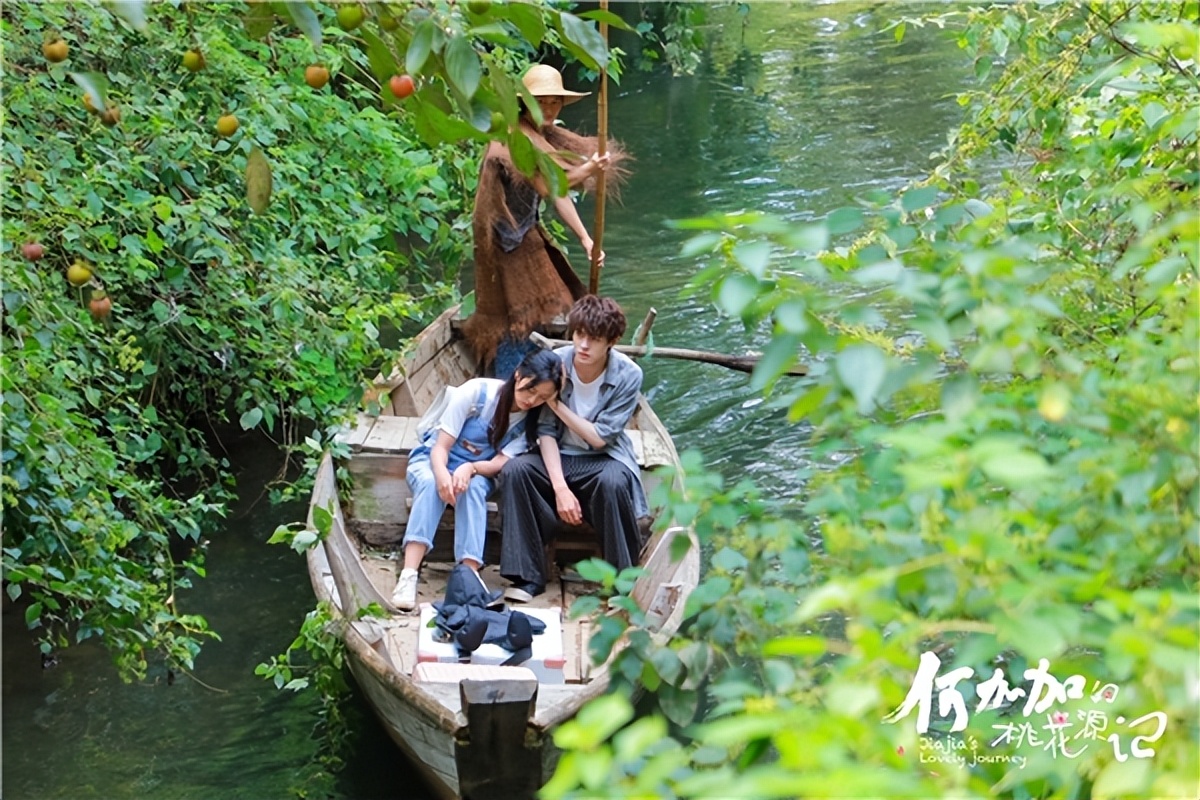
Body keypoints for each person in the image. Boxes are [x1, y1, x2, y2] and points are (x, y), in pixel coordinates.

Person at [462, 64, 629, 368]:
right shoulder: (514, 137)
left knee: (536, 314)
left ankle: (532, 374)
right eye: (542, 101)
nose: (550, 108)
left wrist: (585, 238)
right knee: (518, 319)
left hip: (524, 231)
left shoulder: (540, 134)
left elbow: (558, 195)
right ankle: (509, 390)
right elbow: (548, 186)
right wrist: (589, 169)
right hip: (502, 243)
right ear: (525, 103)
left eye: (555, 101)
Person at [497, 295, 647, 602]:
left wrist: (556, 405)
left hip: (605, 459)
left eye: (594, 340)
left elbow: (600, 438)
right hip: (559, 457)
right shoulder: (557, 362)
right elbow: (546, 431)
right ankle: (528, 578)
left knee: (614, 482)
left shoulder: (628, 375)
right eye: (579, 335)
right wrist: (561, 488)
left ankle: (622, 584)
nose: (583, 346)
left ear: (613, 341)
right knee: (516, 470)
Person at [391, 349, 565, 611]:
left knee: (472, 490)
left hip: (481, 471)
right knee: (428, 484)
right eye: (530, 390)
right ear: (518, 375)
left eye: (542, 397)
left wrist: (470, 468)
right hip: (433, 460)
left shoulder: (531, 425)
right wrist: (442, 477)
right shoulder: (475, 393)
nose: (532, 400)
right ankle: (408, 575)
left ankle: (469, 576)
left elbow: (498, 463)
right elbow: (440, 449)